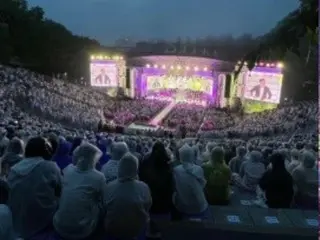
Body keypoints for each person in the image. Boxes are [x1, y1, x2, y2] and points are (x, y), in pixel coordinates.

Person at [7, 137, 61, 239]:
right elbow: (61, 191)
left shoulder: (15, 168)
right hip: (41, 222)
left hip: (15, 218)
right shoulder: (50, 167)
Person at [53, 143, 106, 240]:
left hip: (59, 224)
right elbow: (102, 199)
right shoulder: (99, 177)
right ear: (92, 158)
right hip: (83, 230)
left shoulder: (67, 169)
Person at [104, 153, 152, 239]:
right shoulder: (143, 187)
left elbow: (104, 207)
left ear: (120, 168)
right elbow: (148, 205)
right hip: (137, 230)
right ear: (136, 169)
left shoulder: (109, 186)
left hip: (113, 229)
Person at [172, 144, 208, 220]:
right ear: (192, 156)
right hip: (199, 205)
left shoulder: (176, 170)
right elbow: (203, 185)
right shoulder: (198, 169)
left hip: (182, 206)